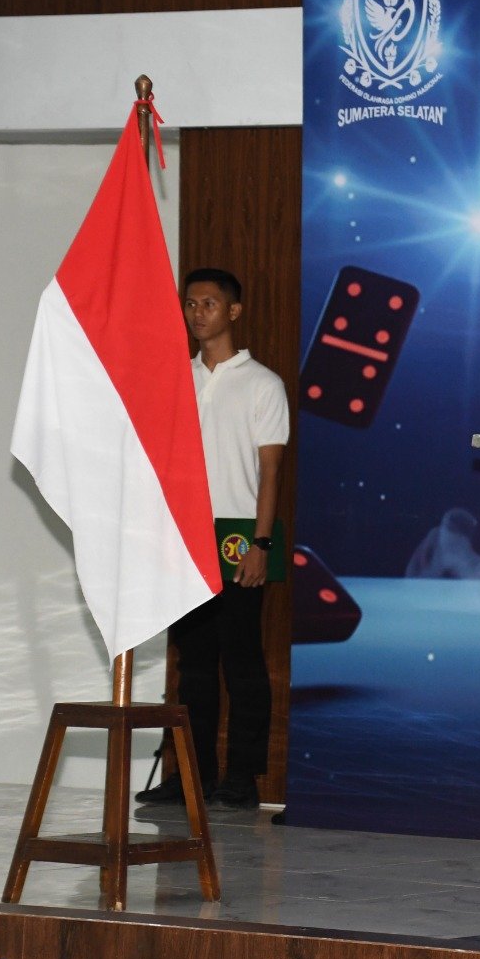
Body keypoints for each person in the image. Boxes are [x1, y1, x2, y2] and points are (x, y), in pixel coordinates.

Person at [134, 268, 289, 811]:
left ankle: (242, 779)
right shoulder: (177, 379)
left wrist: (261, 545)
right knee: (192, 667)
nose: (197, 313)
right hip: (183, 536)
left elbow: (271, 471)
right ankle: (189, 777)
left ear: (233, 312)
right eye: (190, 304)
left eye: (209, 304)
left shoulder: (263, 384)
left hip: (239, 537)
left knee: (241, 662)